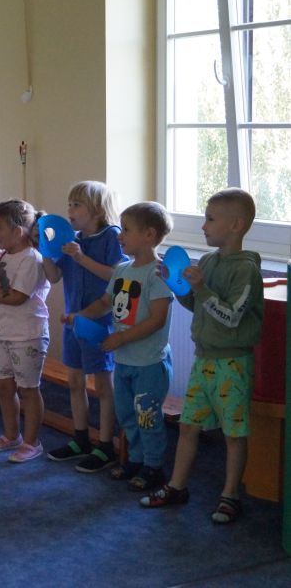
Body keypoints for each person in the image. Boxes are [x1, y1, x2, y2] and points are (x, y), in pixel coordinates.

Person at [141, 188, 264, 524]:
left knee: (233, 433)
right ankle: (177, 486)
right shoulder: (208, 262)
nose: (203, 226)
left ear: (235, 225)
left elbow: (232, 317)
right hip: (204, 360)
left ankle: (230, 496)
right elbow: (199, 306)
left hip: (233, 364)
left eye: (210, 219)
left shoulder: (247, 269)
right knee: (188, 426)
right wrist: (177, 285)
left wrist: (201, 288)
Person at [68, 202, 174, 491]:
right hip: (125, 361)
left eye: (126, 230)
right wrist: (80, 316)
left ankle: (153, 466)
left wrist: (121, 339)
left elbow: (157, 319)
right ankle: (135, 460)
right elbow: (105, 303)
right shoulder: (122, 270)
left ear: (149, 235)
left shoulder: (158, 274)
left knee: (148, 417)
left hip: (149, 363)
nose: (119, 235)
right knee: (127, 414)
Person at [41, 180, 126, 472]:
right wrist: (45, 250)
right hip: (72, 322)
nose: (70, 209)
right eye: (70, 204)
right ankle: (81, 439)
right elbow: (53, 277)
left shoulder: (112, 236)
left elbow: (116, 277)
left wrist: (81, 257)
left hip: (100, 323)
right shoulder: (72, 239)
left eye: (77, 204)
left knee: (102, 386)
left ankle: (106, 445)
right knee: (75, 382)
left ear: (97, 210)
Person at [0, 199, 50, 463]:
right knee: (4, 387)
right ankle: (11, 435)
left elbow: (18, 297)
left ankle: (32, 442)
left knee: (29, 389)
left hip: (27, 335)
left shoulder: (32, 259)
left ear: (17, 231)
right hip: (2, 333)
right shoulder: (0, 255)